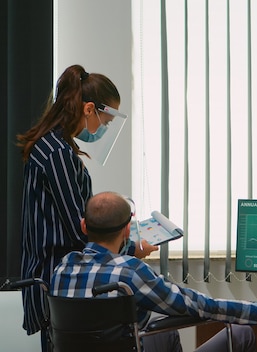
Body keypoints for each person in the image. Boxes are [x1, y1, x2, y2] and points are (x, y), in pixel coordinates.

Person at [50, 191, 257, 352]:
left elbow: (101, 262)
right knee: (241, 335)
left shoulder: (61, 269)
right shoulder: (131, 273)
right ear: (126, 230)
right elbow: (203, 306)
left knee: (165, 335)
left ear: (84, 227)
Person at [16, 64, 158, 351]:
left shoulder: (52, 146)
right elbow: (81, 229)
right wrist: (131, 249)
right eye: (104, 122)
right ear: (89, 109)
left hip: (52, 280)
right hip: (57, 282)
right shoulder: (57, 153)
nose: (103, 130)